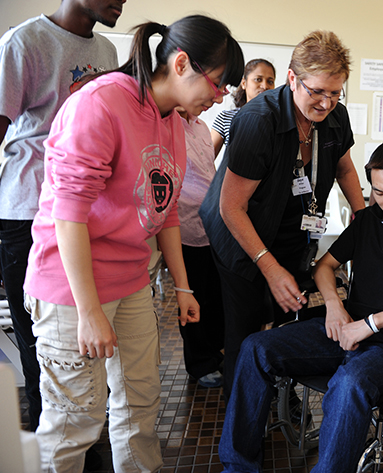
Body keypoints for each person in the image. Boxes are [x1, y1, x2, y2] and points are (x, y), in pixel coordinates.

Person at [23, 16, 244, 472]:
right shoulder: (101, 104)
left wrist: (183, 287)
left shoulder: (173, 122)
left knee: (140, 406)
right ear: (182, 63)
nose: (221, 96)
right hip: (72, 288)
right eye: (219, 83)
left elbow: (164, 213)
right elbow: (67, 216)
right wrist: (88, 312)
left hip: (131, 281)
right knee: (74, 422)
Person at [219, 140, 383, 473]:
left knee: (349, 384)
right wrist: (334, 306)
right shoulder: (366, 221)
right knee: (255, 348)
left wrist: (371, 324)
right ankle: (238, 466)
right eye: (378, 192)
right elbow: (323, 267)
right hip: (344, 328)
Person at [199, 30, 366, 402]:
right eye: (317, 92)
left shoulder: (336, 116)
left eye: (336, 92)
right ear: (292, 78)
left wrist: (362, 214)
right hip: (240, 235)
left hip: (291, 230)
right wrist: (270, 269)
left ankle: (279, 393)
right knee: (245, 329)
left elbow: (345, 170)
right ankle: (241, 414)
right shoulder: (258, 121)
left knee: (286, 315)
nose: (326, 103)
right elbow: (231, 207)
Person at [0, 0, 125, 437]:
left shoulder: (108, 53)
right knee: (42, 348)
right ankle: (50, 447)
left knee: (85, 340)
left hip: (88, 219)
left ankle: (85, 441)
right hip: (28, 213)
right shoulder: (24, 42)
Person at [176, 108, 226, 388]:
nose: (211, 100)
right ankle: (199, 363)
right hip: (184, 226)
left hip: (212, 223)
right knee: (192, 297)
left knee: (213, 296)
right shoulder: (166, 124)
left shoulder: (200, 126)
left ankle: (213, 353)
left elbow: (210, 171)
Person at [210, 58, 276, 156]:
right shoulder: (226, 118)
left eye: (270, 81)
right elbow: (205, 162)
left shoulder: (278, 121)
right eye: (258, 79)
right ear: (244, 83)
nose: (264, 86)